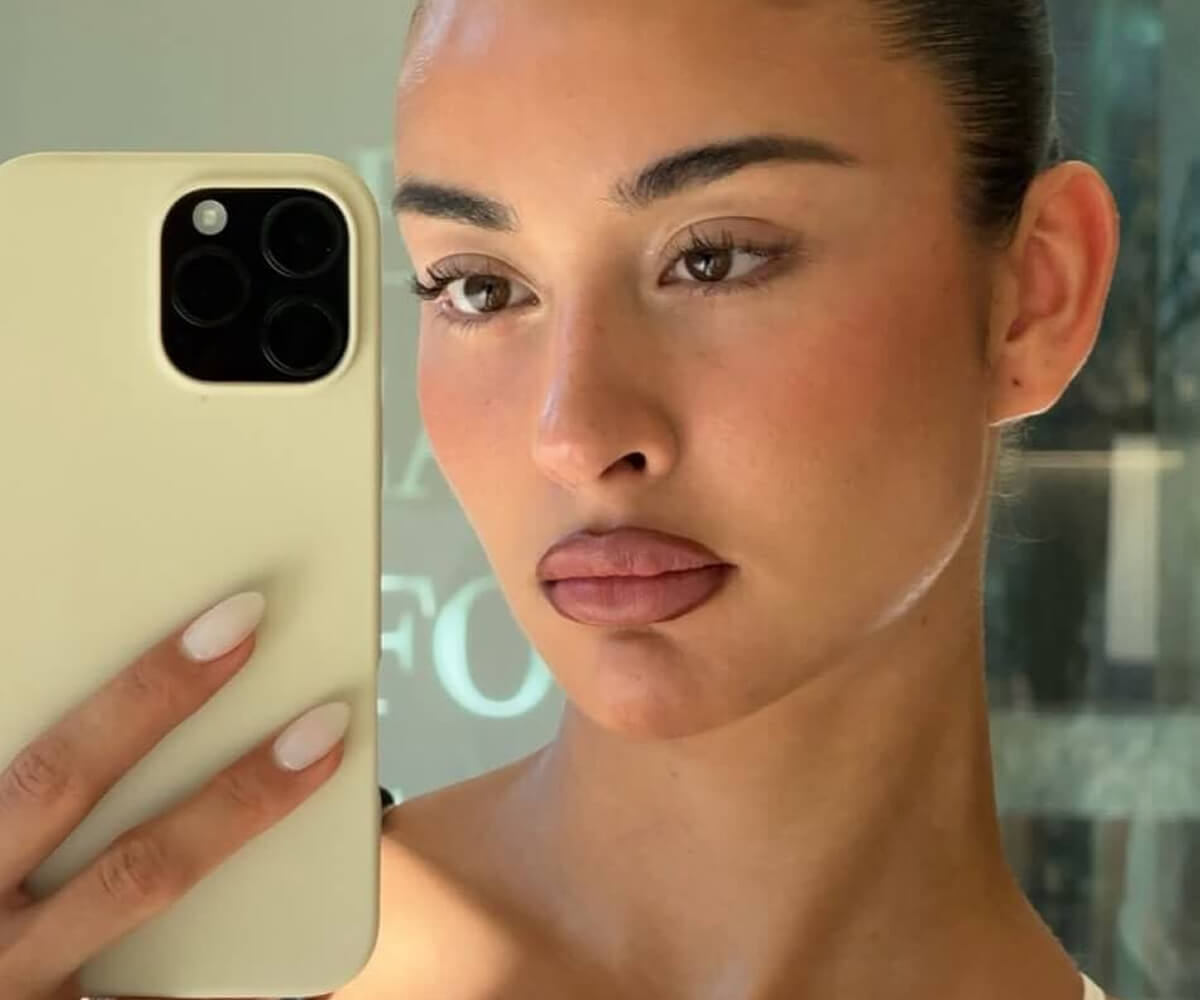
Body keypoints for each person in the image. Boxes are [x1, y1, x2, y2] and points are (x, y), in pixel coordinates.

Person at [0, 0, 1121, 998]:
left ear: (1038, 293)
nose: (573, 435)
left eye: (716, 259)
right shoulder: (146, 975)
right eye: (479, 286)